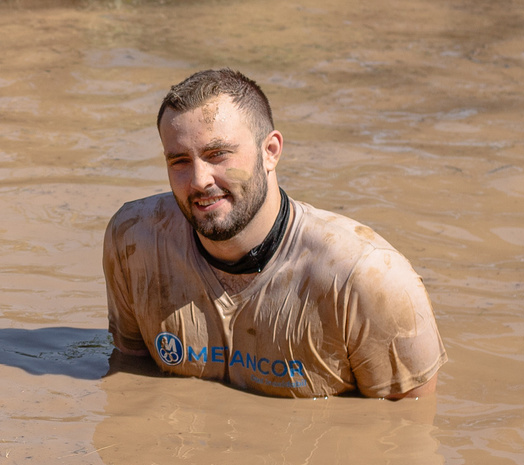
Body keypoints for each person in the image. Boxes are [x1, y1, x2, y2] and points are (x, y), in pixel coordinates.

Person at [104, 67, 440, 399]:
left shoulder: (367, 278)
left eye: (217, 154)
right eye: (179, 160)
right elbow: (131, 383)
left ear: (271, 152)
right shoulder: (136, 240)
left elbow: (406, 434)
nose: (199, 180)